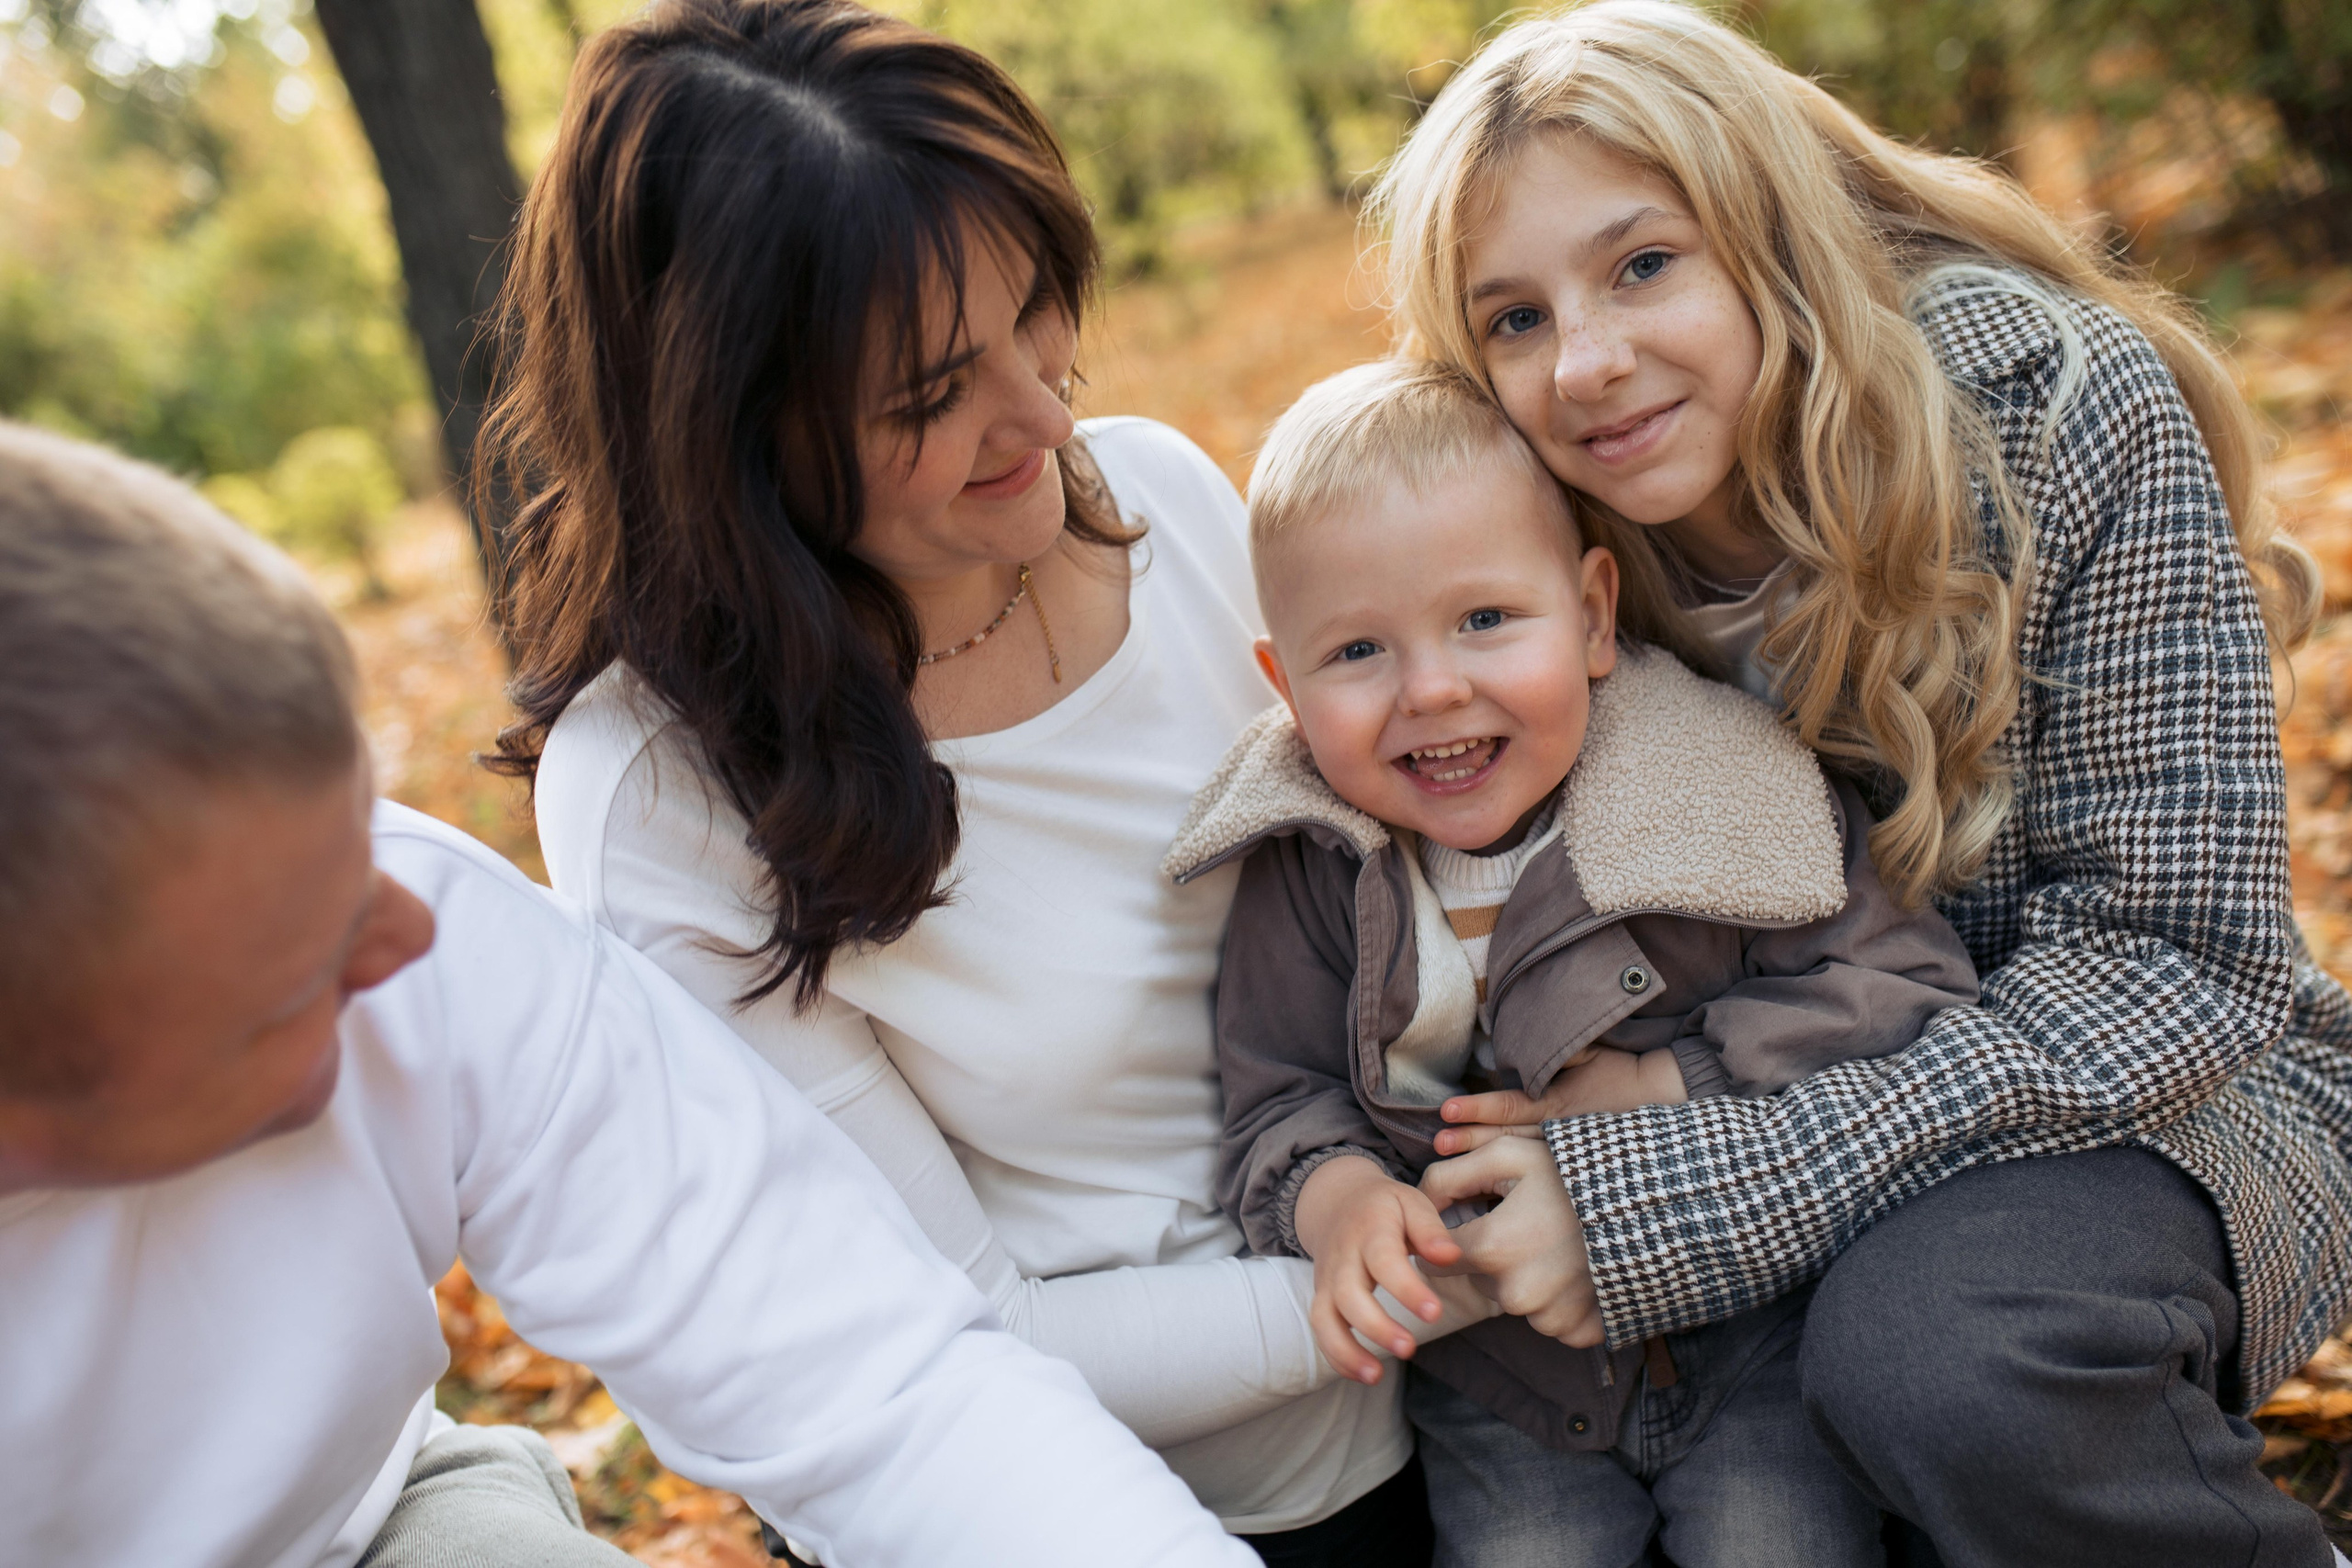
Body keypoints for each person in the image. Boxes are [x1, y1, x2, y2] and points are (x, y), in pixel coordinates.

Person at [1368, 4, 2352, 1562]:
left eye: (1642, 265)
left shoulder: (2052, 415)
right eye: (1514, 320)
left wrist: (1677, 1182)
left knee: (1932, 1355)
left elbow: (2178, 972)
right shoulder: (1534, 566)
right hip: (1764, 1107)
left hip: (2160, 1114)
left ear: (1767, 233)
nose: (1591, 364)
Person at [494, 2, 1467, 1561]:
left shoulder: (1162, 497)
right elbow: (945, 1338)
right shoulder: (662, 793)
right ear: (729, 435)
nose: (1041, 410)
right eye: (930, 393)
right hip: (1127, 1507)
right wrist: (1451, 1271)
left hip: (1486, 1411)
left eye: (1038, 314)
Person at [0, 421, 1258, 1568]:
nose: (406, 942)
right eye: (299, 965)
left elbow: (864, 1374)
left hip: (357, 1534)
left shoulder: (431, 934)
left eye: (361, 845)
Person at [1165, 358, 1977, 1567]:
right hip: (1499, 1385)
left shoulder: (1715, 792)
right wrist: (1335, 1199)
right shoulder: (1313, 867)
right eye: (1357, 655)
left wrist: (1670, 1087)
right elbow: (1277, 1092)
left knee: (1778, 1544)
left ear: (1593, 616)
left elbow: (1903, 993)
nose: (1434, 689)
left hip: (1748, 1321)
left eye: (1486, 620)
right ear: (1282, 686)